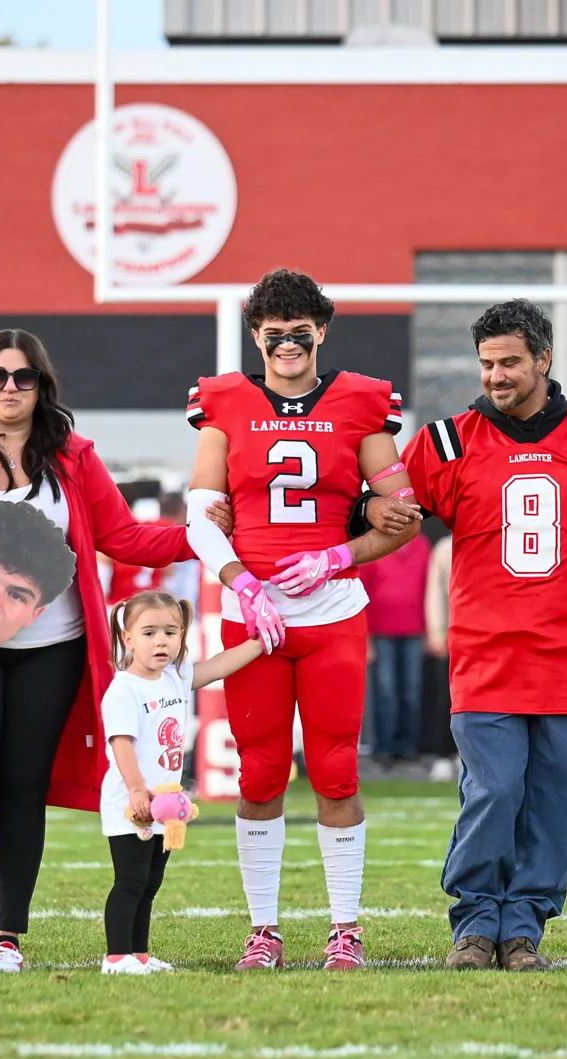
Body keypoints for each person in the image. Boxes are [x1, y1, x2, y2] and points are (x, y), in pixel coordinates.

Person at [0, 329, 195, 976]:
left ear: (41, 385)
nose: (8, 388)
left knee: (26, 789)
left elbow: (126, 535)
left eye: (22, 378)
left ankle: (8, 939)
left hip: (53, 648)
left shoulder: (74, 457)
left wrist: (207, 539)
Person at [183, 268, 420, 971]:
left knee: (337, 770)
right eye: (274, 331)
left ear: (322, 330)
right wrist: (239, 580)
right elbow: (198, 515)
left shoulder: (362, 401)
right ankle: (265, 930)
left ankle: (345, 928)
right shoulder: (223, 400)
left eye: (300, 330)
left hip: (333, 610)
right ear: (256, 335)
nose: (287, 343)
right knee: (258, 775)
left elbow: (402, 516)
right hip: (252, 616)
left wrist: (338, 554)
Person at [402, 299, 567, 970]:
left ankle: (524, 925)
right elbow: (386, 510)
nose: (496, 376)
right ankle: (475, 923)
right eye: (486, 364)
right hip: (486, 650)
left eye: (508, 362)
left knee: (556, 801)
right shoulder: (447, 442)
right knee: (494, 790)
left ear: (543, 360)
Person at [99, 590, 264, 974]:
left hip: (167, 807)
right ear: (128, 638)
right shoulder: (125, 687)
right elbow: (121, 743)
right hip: (133, 805)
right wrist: (138, 791)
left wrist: (259, 643)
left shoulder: (174, 677)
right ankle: (116, 957)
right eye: (150, 633)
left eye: (171, 633)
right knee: (130, 881)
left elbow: (221, 665)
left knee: (151, 883)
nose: (161, 641)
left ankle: (138, 955)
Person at [361, 530, 430, 765]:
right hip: (381, 632)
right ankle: (384, 747)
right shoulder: (375, 545)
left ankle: (408, 747)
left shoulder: (422, 546)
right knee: (386, 691)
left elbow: (428, 590)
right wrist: (366, 637)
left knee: (412, 691)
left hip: (415, 630)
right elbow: (364, 593)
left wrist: (433, 630)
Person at [421, 529, 457, 783]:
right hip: (455, 633)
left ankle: (465, 753)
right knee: (447, 697)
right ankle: (443, 754)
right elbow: (435, 592)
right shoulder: (445, 547)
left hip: (490, 635)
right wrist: (437, 631)